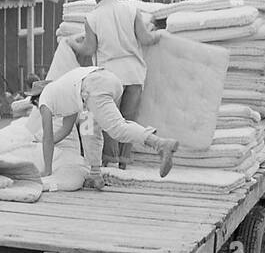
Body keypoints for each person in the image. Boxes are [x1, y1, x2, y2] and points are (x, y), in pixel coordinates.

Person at [65, 0, 165, 168]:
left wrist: (72, 43)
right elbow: (146, 39)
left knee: (109, 120)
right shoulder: (132, 10)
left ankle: (109, 162)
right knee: (128, 120)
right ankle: (124, 163)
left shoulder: (92, 18)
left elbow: (89, 49)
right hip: (135, 73)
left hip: (109, 75)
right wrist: (160, 35)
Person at [37, 65, 179, 185]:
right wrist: (43, 143)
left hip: (91, 87)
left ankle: (160, 143)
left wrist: (47, 171)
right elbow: (65, 130)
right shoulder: (62, 94)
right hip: (101, 84)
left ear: (36, 98)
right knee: (88, 131)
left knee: (117, 128)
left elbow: (47, 137)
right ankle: (95, 173)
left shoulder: (44, 99)